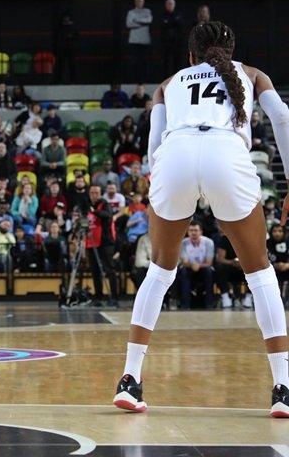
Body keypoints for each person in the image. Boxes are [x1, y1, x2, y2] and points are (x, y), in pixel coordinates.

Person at [114, 21, 289, 417]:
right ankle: (283, 387)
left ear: (191, 55)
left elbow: (152, 146)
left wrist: (157, 182)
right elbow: (281, 117)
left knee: (159, 271)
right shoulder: (251, 74)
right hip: (225, 152)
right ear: (231, 50)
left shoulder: (168, 82)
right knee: (260, 272)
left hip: (174, 153)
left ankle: (130, 378)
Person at [125, 0, 153, 83]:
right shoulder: (131, 12)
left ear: (143, 2)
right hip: (134, 41)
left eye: (141, 1)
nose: (139, 3)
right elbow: (129, 24)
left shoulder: (147, 11)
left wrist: (135, 20)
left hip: (145, 41)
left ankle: (145, 80)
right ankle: (134, 80)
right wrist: (141, 23)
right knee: (134, 62)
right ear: (135, 2)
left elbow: (148, 20)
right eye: (138, 1)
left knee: (145, 62)